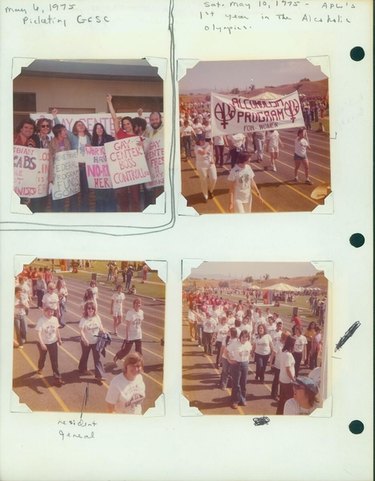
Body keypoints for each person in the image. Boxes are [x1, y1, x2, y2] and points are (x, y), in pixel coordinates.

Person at [35, 306, 64, 386]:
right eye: (48, 311)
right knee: (42, 357)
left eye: (52, 312)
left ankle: (57, 378)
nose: (50, 313)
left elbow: (57, 329)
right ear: (44, 312)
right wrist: (42, 343)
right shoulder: (41, 320)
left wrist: (59, 339)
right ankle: (40, 367)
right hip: (44, 343)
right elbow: (39, 333)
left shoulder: (54, 319)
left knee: (54, 360)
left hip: (53, 342)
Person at [91, 122, 116, 212]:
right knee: (99, 195)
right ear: (95, 131)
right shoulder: (93, 140)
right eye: (97, 128)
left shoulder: (109, 138)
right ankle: (100, 214)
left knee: (109, 194)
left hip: (108, 171)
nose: (99, 129)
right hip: (98, 173)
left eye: (101, 127)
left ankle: (110, 213)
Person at [78, 301, 106, 384]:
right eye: (89, 308)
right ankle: (82, 368)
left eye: (92, 308)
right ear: (86, 309)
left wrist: (104, 333)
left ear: (94, 309)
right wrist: (85, 339)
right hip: (86, 342)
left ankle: (99, 376)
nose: (90, 310)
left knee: (97, 358)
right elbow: (81, 331)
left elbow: (101, 327)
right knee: (85, 356)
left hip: (96, 342)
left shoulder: (97, 317)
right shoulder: (84, 319)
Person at [226, 330, 252, 408]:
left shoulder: (248, 344)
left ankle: (242, 399)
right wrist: (230, 360)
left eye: (246, 337)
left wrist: (247, 361)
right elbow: (226, 351)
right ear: (240, 337)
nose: (244, 338)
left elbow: (249, 352)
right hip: (236, 365)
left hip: (245, 364)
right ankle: (235, 401)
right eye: (243, 337)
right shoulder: (234, 344)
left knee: (243, 383)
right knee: (236, 384)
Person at [113, 298, 144, 362]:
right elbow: (127, 326)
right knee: (126, 350)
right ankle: (117, 356)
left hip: (138, 335)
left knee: (139, 351)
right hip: (131, 336)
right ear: (133, 304)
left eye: (139, 303)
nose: (138, 304)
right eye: (136, 303)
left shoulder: (141, 312)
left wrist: (139, 332)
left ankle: (138, 362)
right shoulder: (130, 313)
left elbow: (140, 323)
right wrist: (127, 337)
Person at [276, 335, 296, 414]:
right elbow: (288, 369)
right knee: (288, 400)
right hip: (288, 381)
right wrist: (293, 379)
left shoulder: (283, 352)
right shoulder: (288, 355)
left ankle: (279, 413)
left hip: (282, 379)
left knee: (282, 399)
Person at [194, 138, 217, 202]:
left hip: (210, 164)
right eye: (201, 140)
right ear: (198, 141)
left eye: (204, 140)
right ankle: (205, 195)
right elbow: (203, 153)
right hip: (201, 166)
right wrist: (210, 145)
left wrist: (212, 158)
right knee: (203, 180)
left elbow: (211, 152)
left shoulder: (207, 144)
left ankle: (210, 190)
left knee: (214, 178)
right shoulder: (196, 147)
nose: (203, 141)